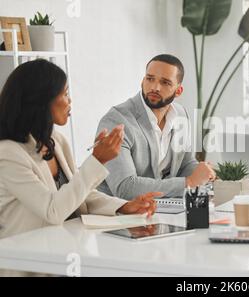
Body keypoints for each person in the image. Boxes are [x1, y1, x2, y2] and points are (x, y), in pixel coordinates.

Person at [0, 59, 160, 276]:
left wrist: (123, 207)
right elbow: (52, 211)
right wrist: (97, 161)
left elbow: (78, 194)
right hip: (29, 265)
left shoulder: (55, 140)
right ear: (41, 101)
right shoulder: (8, 154)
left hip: (65, 256)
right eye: (65, 94)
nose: (70, 101)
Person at [96, 54, 215, 199]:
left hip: (158, 208)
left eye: (165, 82)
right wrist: (189, 182)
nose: (155, 87)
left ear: (178, 91)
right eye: (150, 79)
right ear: (142, 81)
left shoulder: (181, 114)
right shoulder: (117, 120)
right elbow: (125, 187)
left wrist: (203, 173)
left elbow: (185, 163)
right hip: (115, 213)